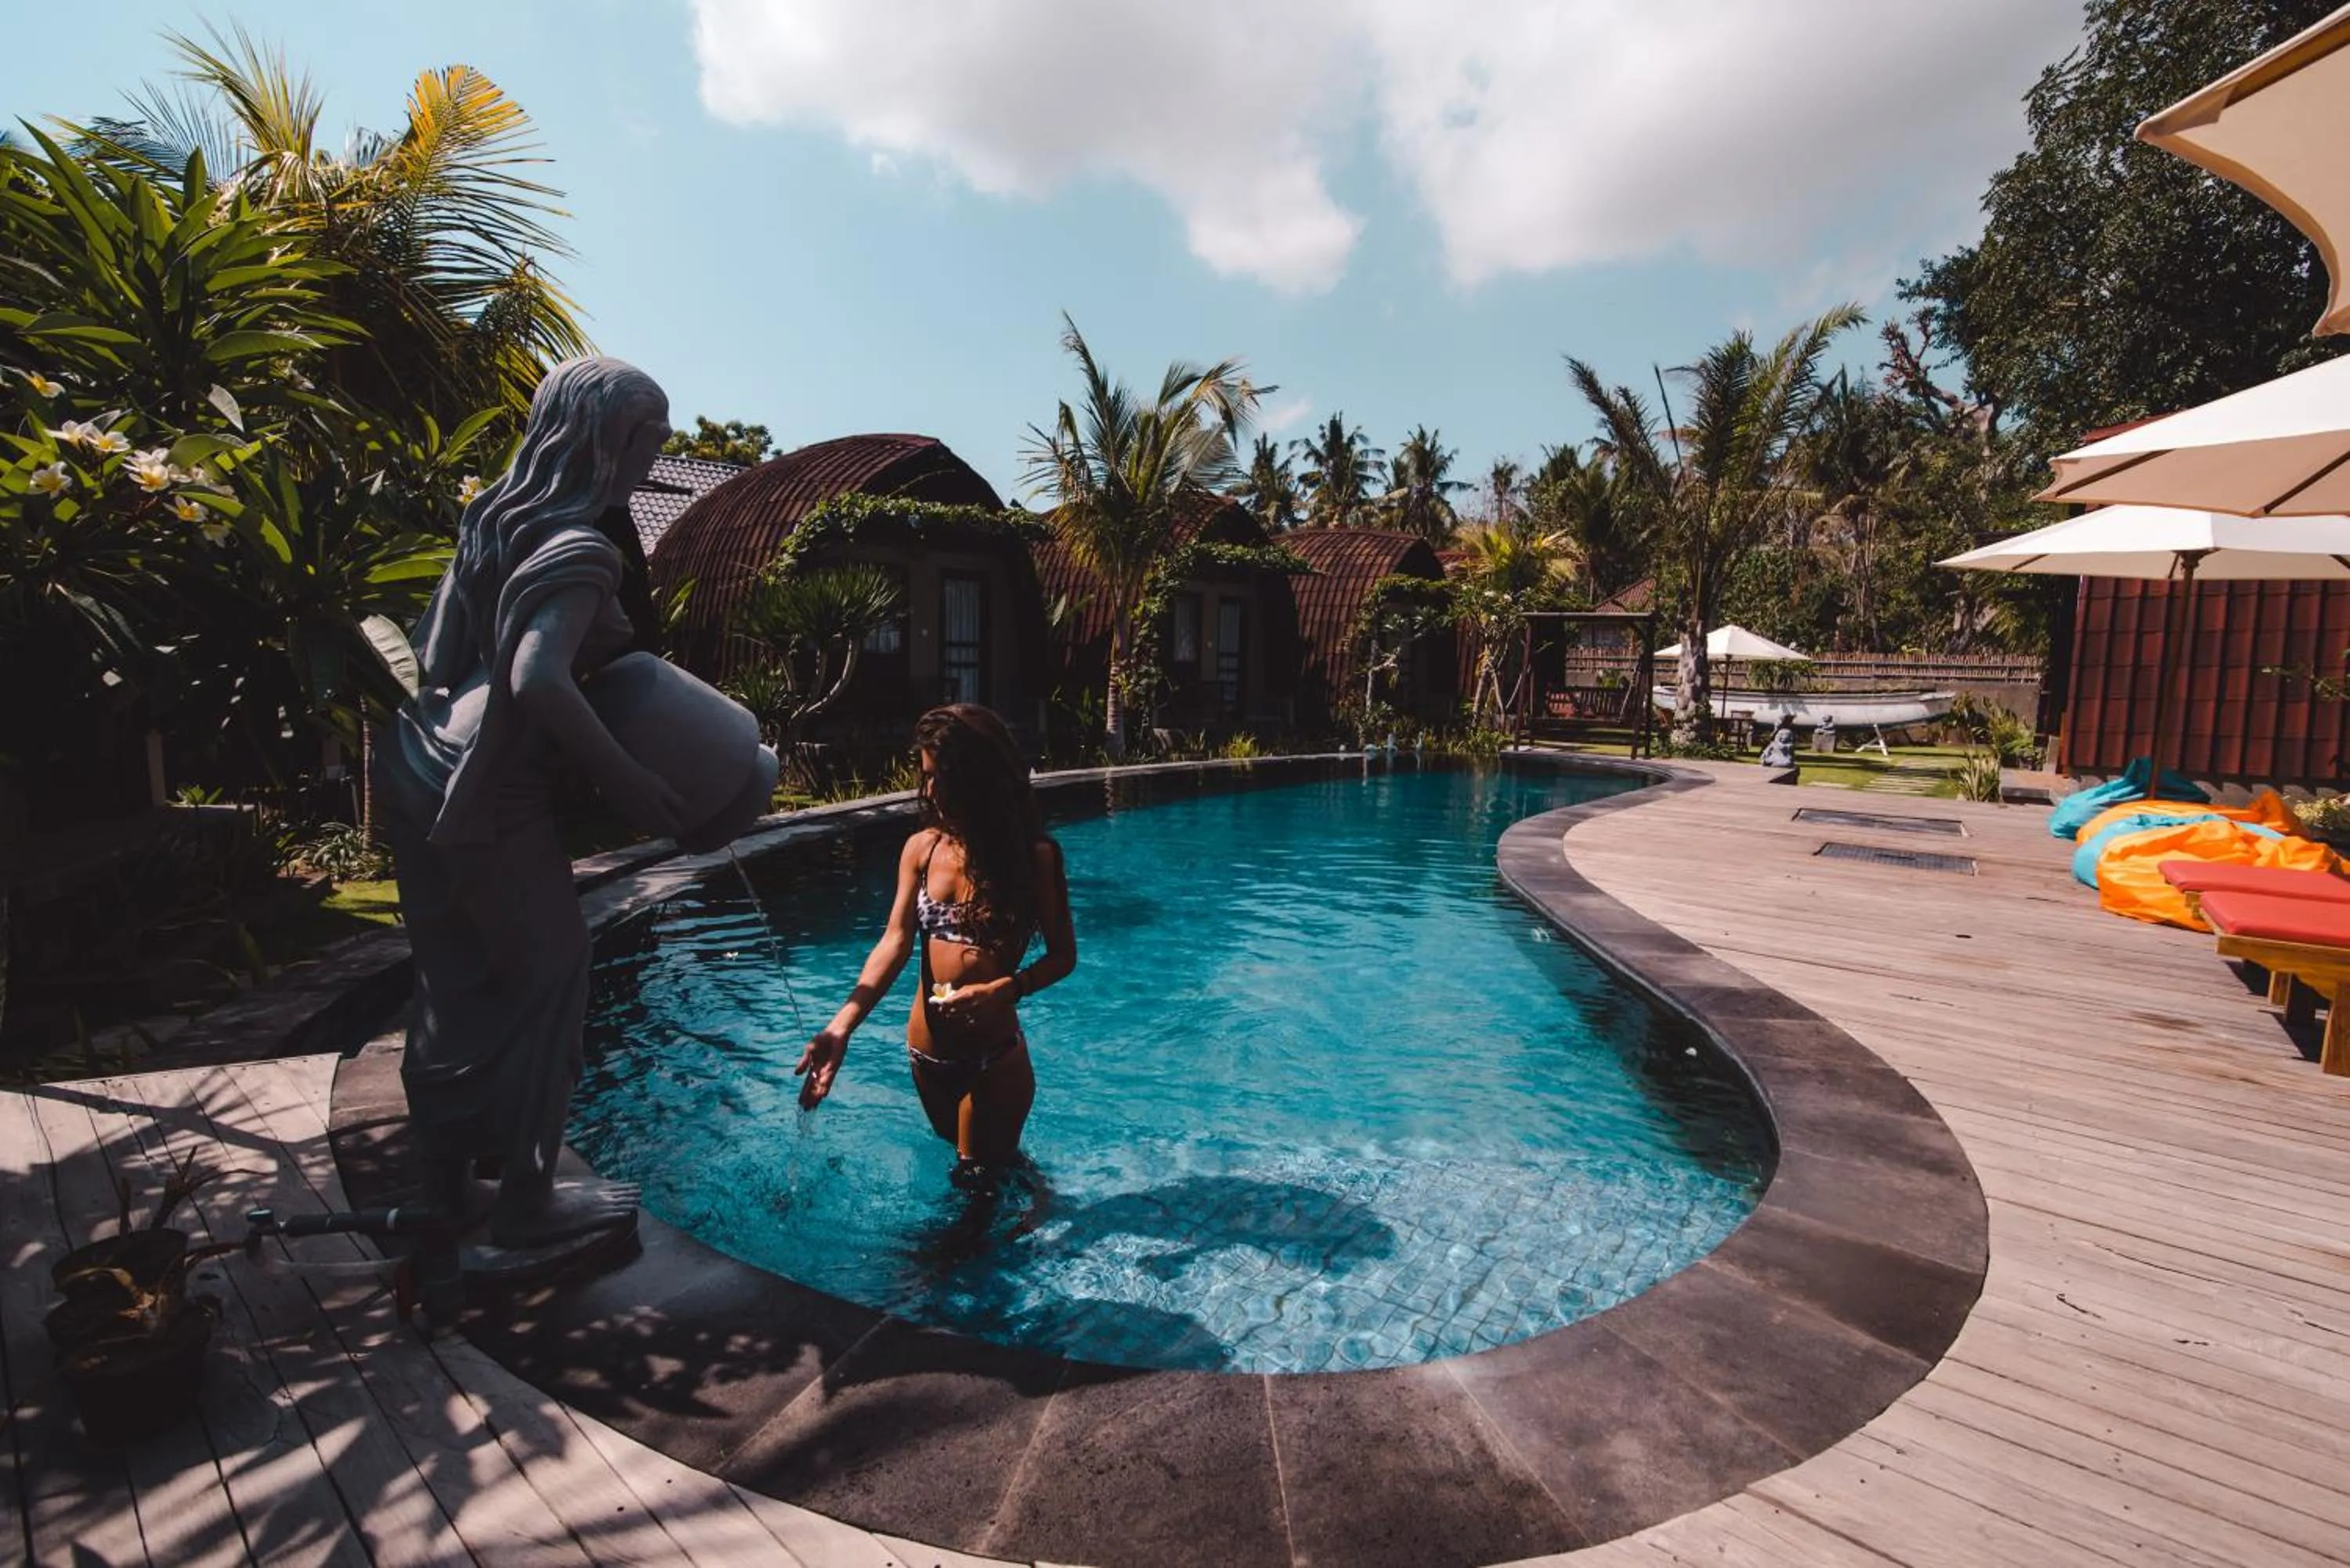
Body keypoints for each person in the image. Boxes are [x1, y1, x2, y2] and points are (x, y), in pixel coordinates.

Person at [374, 356, 687, 1249]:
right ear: (611, 438)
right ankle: (524, 1200)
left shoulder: (494, 523)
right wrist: (630, 780)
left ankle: (442, 1189)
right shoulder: (580, 543)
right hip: (489, 782)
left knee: (454, 984)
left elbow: (436, 663)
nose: (653, 459)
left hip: (417, 759)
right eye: (650, 439)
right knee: (552, 975)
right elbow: (539, 676)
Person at [796, 704, 1076, 1191]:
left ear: (982, 778)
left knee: (972, 1184)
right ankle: (1037, 1192)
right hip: (926, 1059)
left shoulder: (1035, 858)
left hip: (995, 1057)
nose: (931, 791)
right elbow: (895, 942)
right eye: (925, 777)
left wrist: (1007, 990)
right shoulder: (922, 849)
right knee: (984, 1168)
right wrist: (840, 1029)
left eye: (943, 776)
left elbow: (1063, 956)